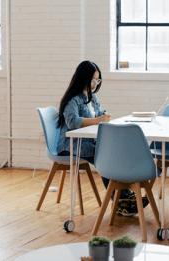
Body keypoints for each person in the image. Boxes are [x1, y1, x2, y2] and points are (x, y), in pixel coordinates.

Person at [56, 60, 147, 216]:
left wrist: (104, 116)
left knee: (114, 152)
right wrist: (97, 120)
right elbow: (72, 122)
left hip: (88, 142)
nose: (94, 84)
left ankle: (124, 197)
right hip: (72, 146)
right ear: (82, 77)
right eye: (92, 80)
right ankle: (120, 201)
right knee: (107, 157)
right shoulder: (73, 99)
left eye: (97, 80)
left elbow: (98, 113)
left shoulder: (92, 97)